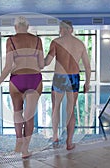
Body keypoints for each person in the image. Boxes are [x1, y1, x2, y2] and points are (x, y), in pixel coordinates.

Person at [0, 16, 44, 158]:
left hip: (17, 79)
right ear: (27, 27)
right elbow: (41, 64)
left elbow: (8, 66)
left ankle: (18, 140)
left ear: (15, 27)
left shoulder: (10, 40)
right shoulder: (38, 40)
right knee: (29, 117)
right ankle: (25, 150)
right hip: (34, 79)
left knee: (17, 112)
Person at [44, 20, 91, 150]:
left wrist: (36, 61)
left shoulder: (56, 42)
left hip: (59, 77)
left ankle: (55, 137)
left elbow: (47, 62)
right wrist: (87, 83)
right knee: (71, 110)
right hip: (74, 78)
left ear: (62, 29)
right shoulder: (80, 44)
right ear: (72, 29)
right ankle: (69, 143)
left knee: (55, 108)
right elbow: (87, 66)